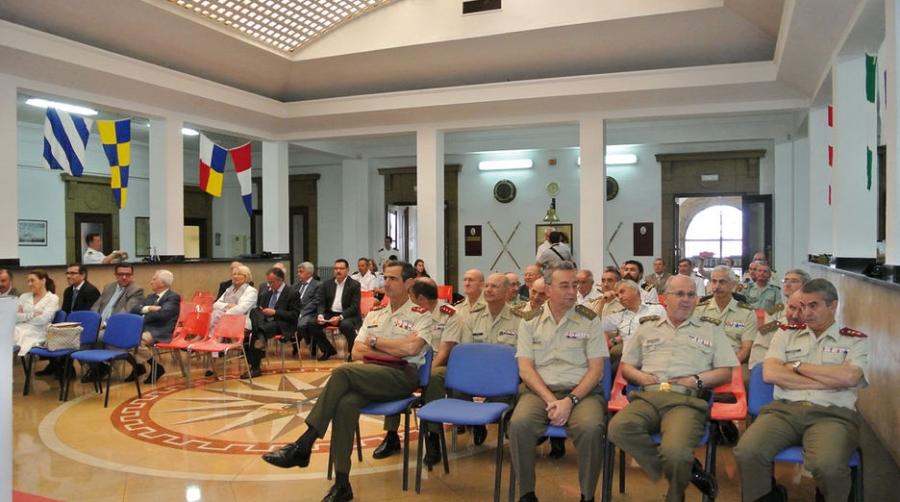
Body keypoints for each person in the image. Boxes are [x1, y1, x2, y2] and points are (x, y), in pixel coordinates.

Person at [261, 261, 432, 502]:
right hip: (370, 374)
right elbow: (356, 352)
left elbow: (411, 348)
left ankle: (304, 443)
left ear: (409, 283)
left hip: (402, 376)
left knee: (342, 372)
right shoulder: (374, 314)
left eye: (393, 279)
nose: (386, 283)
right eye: (386, 278)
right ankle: (342, 485)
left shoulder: (421, 316)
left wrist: (374, 343)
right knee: (345, 404)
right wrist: (391, 348)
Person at [735, 279, 868, 502]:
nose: (805, 312)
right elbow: (770, 374)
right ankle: (768, 497)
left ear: (833, 305)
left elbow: (850, 376)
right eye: (803, 306)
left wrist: (797, 367)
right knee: (747, 452)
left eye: (813, 305)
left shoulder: (853, 340)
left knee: (827, 465)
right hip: (782, 412)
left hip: (832, 415)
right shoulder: (785, 334)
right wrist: (829, 378)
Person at [607, 275, 738, 502]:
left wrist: (696, 380)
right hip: (648, 398)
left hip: (685, 402)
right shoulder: (646, 328)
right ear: (665, 298)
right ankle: (688, 469)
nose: (685, 300)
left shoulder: (711, 329)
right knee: (617, 429)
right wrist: (639, 376)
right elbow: (627, 367)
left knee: (675, 453)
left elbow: (725, 372)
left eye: (690, 295)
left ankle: (676, 494)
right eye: (679, 294)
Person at [508, 261, 609, 502]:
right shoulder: (529, 321)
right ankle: (527, 494)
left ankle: (587, 495)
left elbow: (597, 370)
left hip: (582, 394)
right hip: (539, 393)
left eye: (574, 285)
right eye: (564, 286)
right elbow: (526, 369)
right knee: (519, 425)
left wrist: (570, 401)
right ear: (549, 290)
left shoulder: (589, 320)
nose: (572, 291)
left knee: (592, 428)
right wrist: (553, 401)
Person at [372, 277, 460, 467]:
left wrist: (425, 372)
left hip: (438, 365)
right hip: (412, 362)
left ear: (420, 297)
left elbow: (445, 352)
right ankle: (391, 435)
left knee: (433, 378)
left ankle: (433, 437)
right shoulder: (409, 315)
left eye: (410, 295)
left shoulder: (449, 315)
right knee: (393, 372)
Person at [35, 264, 101, 378]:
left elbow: (87, 316)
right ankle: (56, 366)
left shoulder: (91, 291)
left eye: (72, 273)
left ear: (83, 275)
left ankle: (68, 369)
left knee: (63, 339)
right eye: (67, 273)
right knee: (47, 334)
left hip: (82, 327)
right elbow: (65, 311)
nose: (69, 276)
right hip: (68, 326)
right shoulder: (68, 291)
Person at [84, 264, 145, 382]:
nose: (124, 277)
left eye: (127, 274)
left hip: (118, 326)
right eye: (120, 274)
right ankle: (98, 367)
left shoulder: (136, 290)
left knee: (94, 337)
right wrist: (95, 320)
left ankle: (99, 368)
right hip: (99, 324)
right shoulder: (109, 287)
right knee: (79, 337)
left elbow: (125, 312)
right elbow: (96, 306)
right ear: (115, 275)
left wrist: (106, 324)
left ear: (132, 275)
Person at [243, 267, 301, 378]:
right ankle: (261, 337)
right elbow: (260, 309)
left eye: (271, 282)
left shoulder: (292, 293)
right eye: (268, 282)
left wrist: (275, 312)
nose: (269, 285)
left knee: (255, 334)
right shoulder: (267, 293)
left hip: (281, 323)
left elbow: (294, 315)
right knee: (254, 311)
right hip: (264, 322)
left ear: (280, 281)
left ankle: (255, 368)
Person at [602, 279, 666, 377]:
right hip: (630, 365)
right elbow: (595, 324)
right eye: (617, 295)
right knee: (607, 372)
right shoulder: (620, 316)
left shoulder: (656, 309)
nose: (620, 297)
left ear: (635, 290)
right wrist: (602, 302)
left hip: (654, 361)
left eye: (622, 292)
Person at [128, 269, 181, 384]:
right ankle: (138, 367)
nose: (151, 281)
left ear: (162, 283)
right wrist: (148, 308)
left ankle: (155, 367)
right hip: (146, 328)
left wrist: (143, 317)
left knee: (137, 340)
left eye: (154, 279)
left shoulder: (173, 297)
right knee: (124, 338)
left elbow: (163, 314)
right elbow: (134, 309)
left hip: (160, 330)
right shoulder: (151, 297)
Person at [316, 259, 362, 361]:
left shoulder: (354, 285)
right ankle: (328, 350)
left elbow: (354, 306)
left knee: (345, 325)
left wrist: (340, 317)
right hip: (330, 313)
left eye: (341, 268)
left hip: (348, 315)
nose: (338, 271)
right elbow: (321, 303)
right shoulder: (327, 284)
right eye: (336, 268)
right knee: (312, 323)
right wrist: (320, 314)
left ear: (347, 270)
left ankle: (353, 352)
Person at [749, 290, 803, 370]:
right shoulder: (771, 331)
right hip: (775, 379)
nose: (794, 315)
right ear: (786, 306)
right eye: (792, 308)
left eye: (801, 310)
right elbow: (757, 367)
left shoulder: (818, 332)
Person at [13, 269, 60, 357]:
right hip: (18, 328)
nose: (29, 284)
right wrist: (31, 315)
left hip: (39, 331)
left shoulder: (52, 298)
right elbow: (14, 318)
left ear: (43, 281)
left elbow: (44, 320)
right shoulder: (24, 297)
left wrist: (22, 317)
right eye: (28, 281)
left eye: (32, 281)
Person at [210, 265, 258, 334]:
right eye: (234, 274)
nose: (235, 276)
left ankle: (213, 340)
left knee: (217, 316)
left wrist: (224, 314)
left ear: (246, 276)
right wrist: (229, 305)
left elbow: (240, 309)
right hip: (225, 318)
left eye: (239, 274)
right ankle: (214, 340)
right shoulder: (229, 290)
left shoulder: (251, 291)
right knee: (216, 314)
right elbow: (215, 305)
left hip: (242, 321)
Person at [293, 261, 321, 355]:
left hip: (310, 312)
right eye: (298, 272)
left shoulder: (318, 285)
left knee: (301, 325)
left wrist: (301, 313)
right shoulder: (296, 286)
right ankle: (295, 345)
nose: (298, 274)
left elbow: (315, 302)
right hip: (296, 311)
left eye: (301, 272)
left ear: (309, 273)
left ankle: (311, 342)